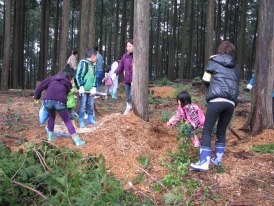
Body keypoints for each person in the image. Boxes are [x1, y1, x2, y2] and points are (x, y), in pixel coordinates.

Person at [191, 41, 239, 171]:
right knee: (221, 131)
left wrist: (212, 87)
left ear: (220, 50)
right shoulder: (235, 65)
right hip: (231, 102)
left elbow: (206, 80)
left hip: (216, 100)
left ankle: (204, 162)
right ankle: (217, 160)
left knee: (207, 130)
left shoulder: (213, 61)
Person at [34, 64, 85, 146]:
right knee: (67, 120)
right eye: (72, 79)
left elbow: (40, 86)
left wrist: (37, 97)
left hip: (47, 101)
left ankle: (50, 138)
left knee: (51, 117)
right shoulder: (67, 83)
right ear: (70, 77)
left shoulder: (52, 78)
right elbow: (63, 93)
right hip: (60, 102)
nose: (72, 81)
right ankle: (78, 141)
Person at [75, 48, 97, 128]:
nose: (96, 58)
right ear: (92, 56)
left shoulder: (93, 65)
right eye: (96, 56)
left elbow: (95, 77)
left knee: (90, 104)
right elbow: (78, 75)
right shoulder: (83, 63)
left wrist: (94, 87)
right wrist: (80, 86)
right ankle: (81, 121)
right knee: (83, 105)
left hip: (90, 90)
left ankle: (90, 118)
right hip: (83, 90)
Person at [112, 39, 133, 114]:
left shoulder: (136, 56)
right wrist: (115, 74)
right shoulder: (124, 56)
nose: (128, 48)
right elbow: (120, 66)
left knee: (131, 96)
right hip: (127, 80)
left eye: (130, 46)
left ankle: (130, 110)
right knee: (128, 97)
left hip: (134, 81)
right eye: (127, 46)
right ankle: (129, 108)